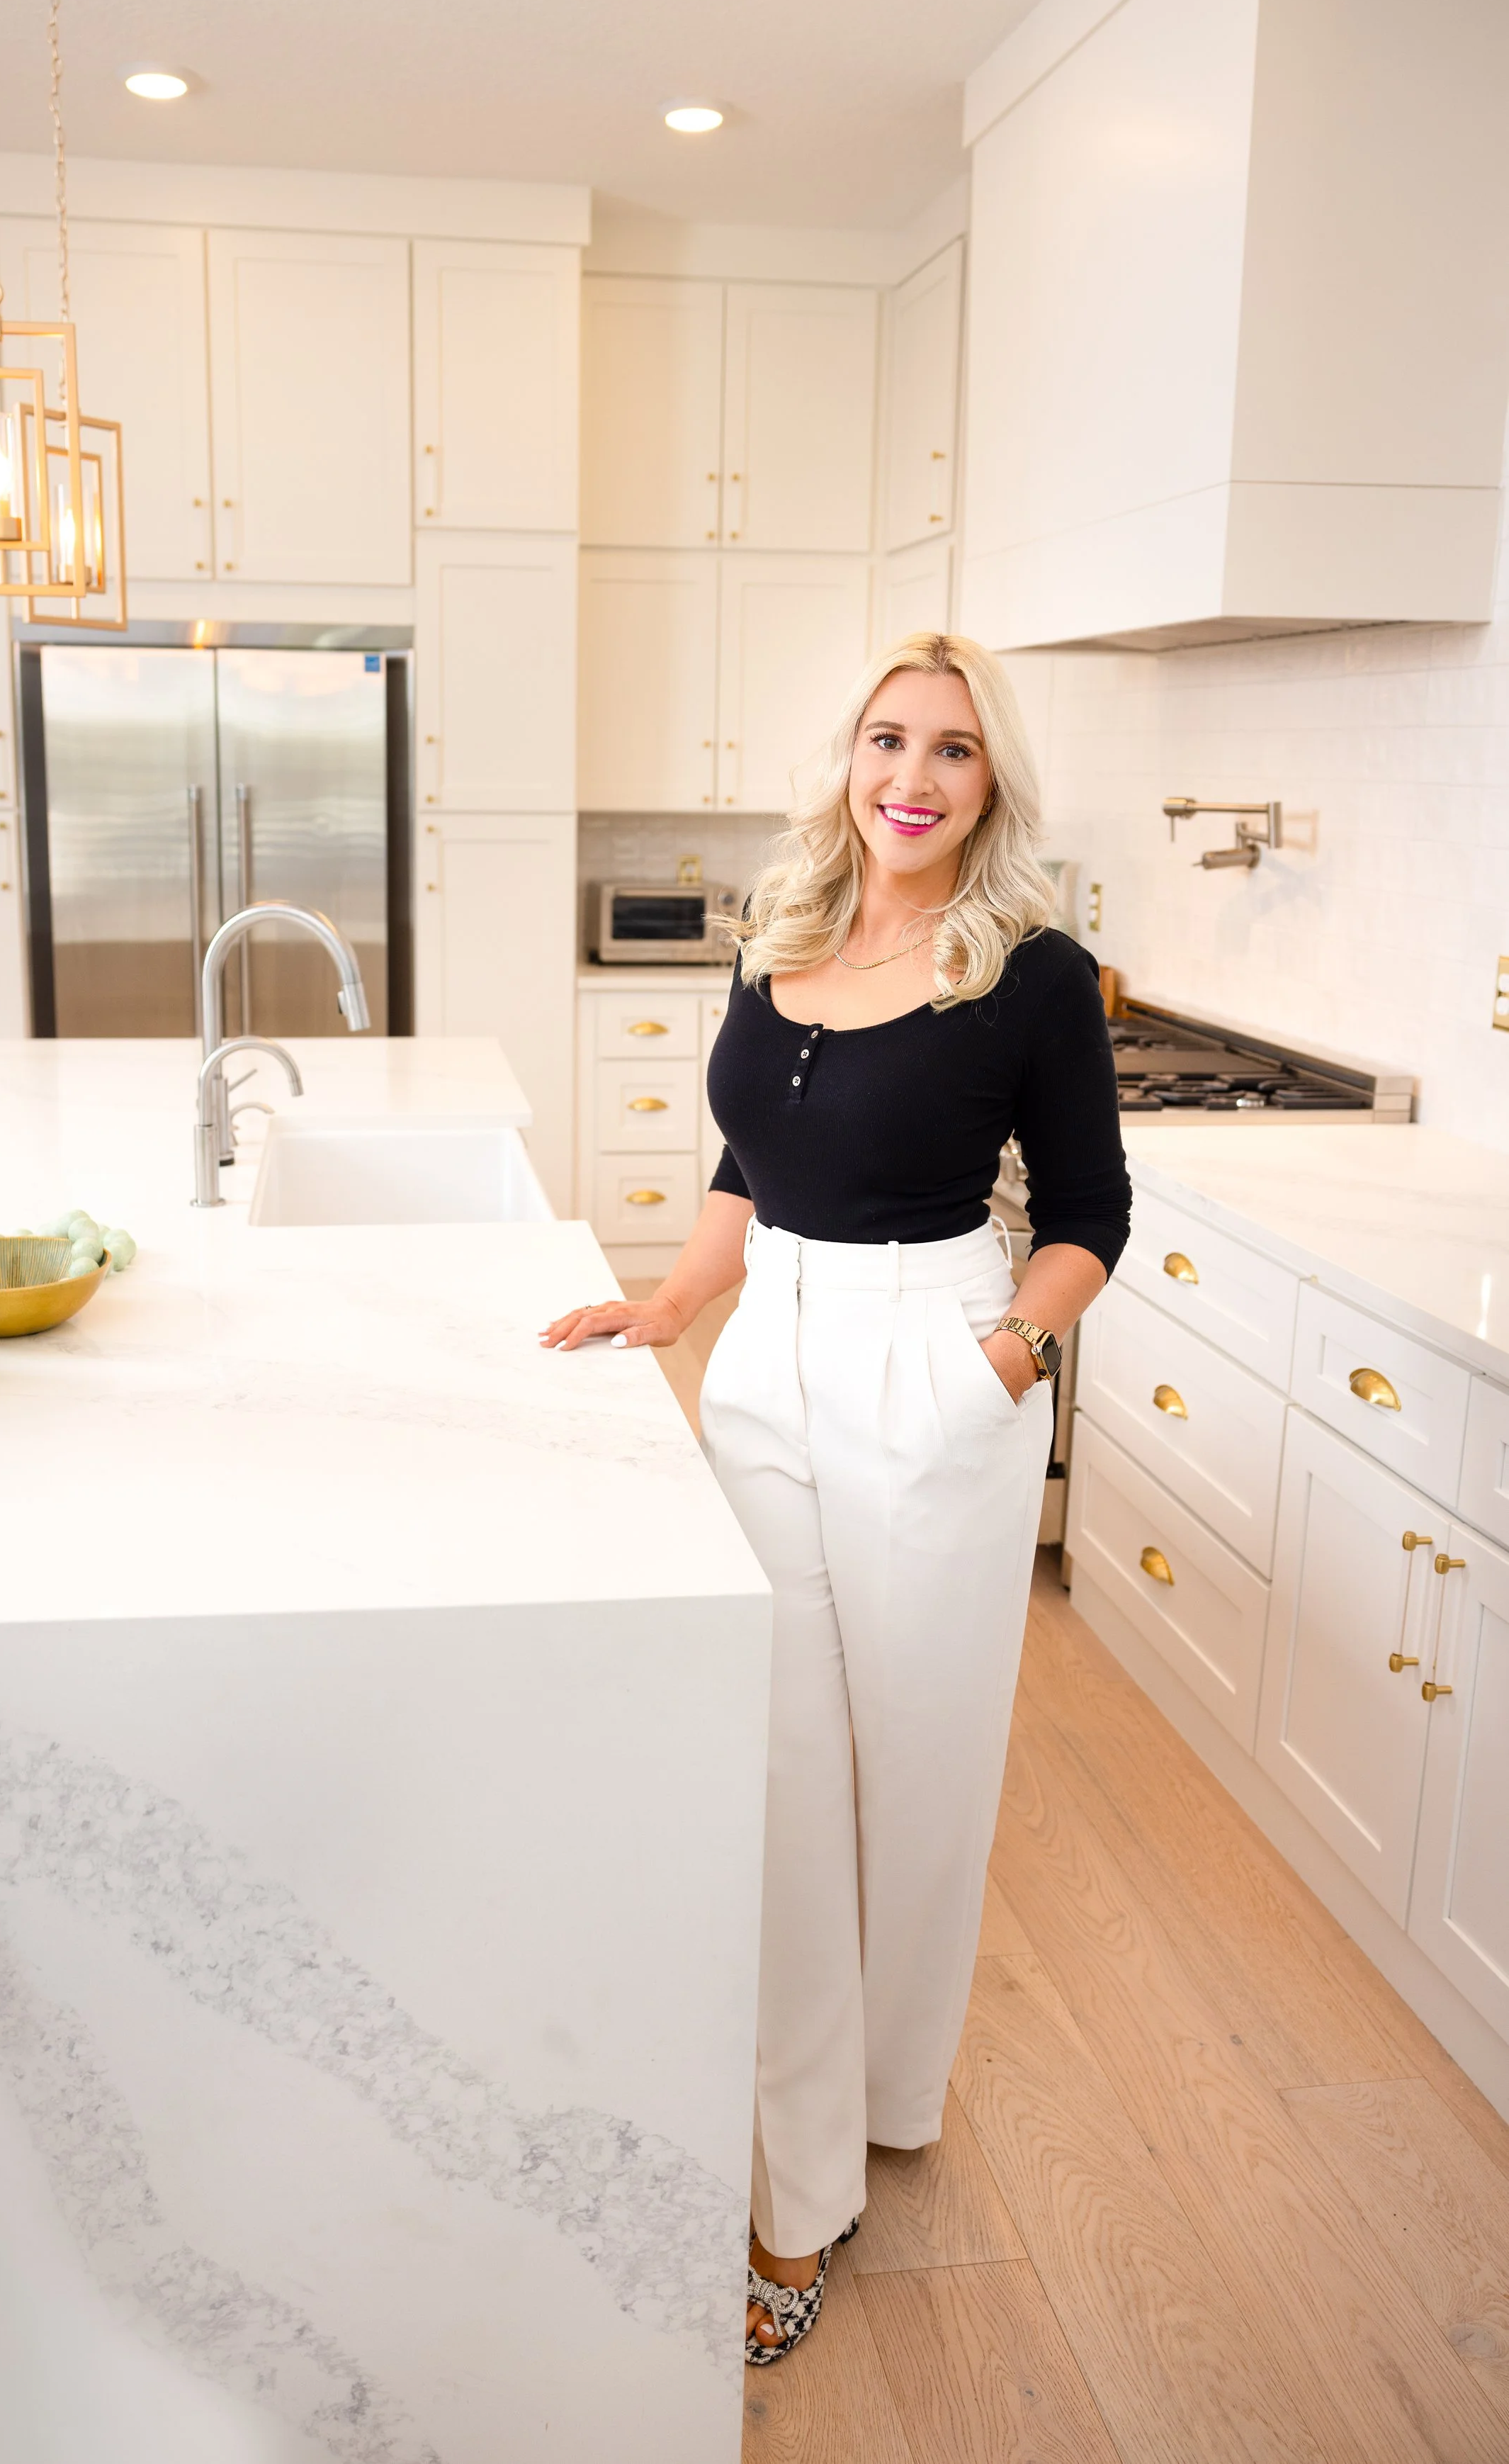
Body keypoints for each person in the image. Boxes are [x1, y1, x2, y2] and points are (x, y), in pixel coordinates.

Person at [541, 632, 1129, 2362]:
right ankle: (801, 2189)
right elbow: (746, 1157)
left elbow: (1090, 1208)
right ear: (847, 756)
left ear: (987, 784)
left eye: (952, 751)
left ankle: (887, 2091)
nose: (913, 777)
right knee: (784, 1759)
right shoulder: (781, 929)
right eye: (889, 739)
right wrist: (667, 1302)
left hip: (929, 1361)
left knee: (922, 1771)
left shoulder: (1027, 970)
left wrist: (1000, 1362)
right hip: (765, 1365)